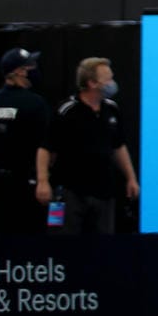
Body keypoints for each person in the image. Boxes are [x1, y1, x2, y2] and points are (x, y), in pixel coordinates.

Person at [36, 57, 140, 236]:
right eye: (107, 79)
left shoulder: (111, 109)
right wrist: (43, 181)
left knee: (102, 247)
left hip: (104, 192)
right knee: (64, 243)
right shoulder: (67, 111)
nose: (112, 83)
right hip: (70, 192)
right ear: (92, 83)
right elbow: (45, 148)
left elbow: (118, 146)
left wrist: (131, 177)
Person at [0, 48, 50, 234]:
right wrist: (43, 178)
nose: (35, 69)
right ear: (20, 71)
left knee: (3, 236)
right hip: (28, 182)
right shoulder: (35, 103)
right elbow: (45, 144)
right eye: (31, 66)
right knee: (30, 237)